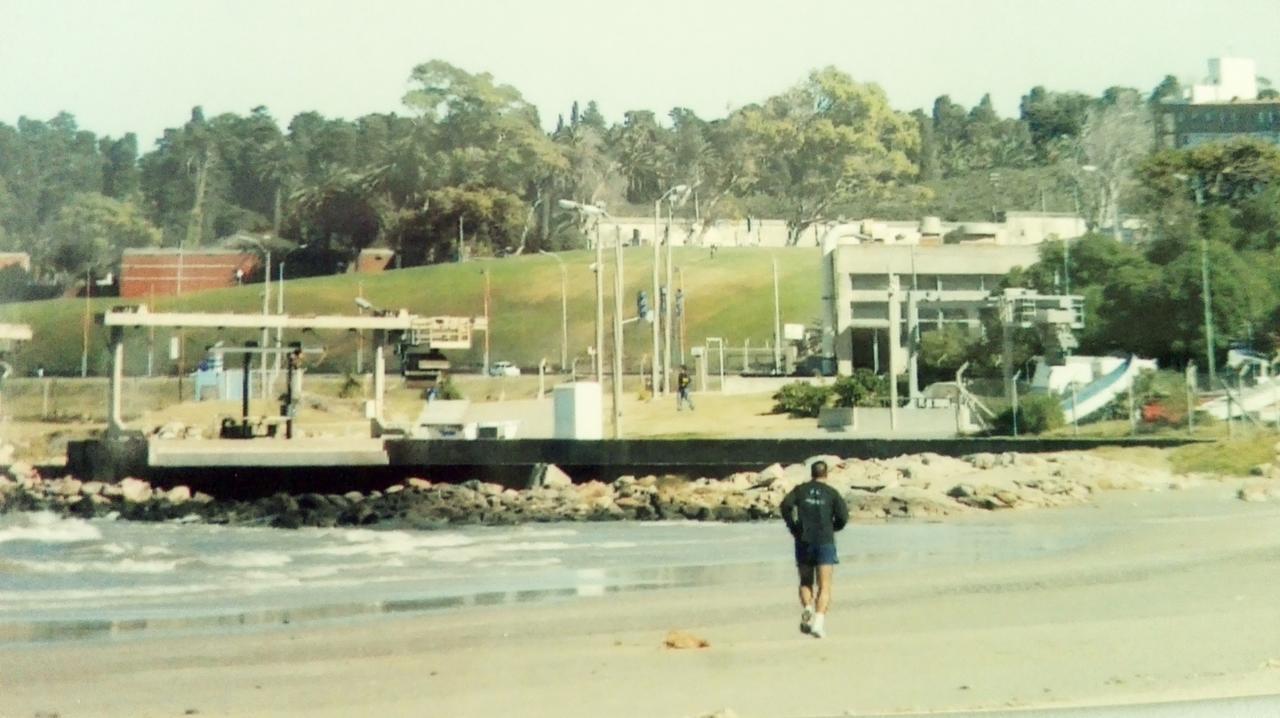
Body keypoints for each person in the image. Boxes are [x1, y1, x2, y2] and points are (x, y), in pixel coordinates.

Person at [779, 460, 848, 638]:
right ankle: (818, 623)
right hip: (825, 541)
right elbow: (843, 517)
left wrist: (793, 526)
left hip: (804, 539)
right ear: (826, 474)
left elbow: (785, 506)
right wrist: (833, 527)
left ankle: (808, 607)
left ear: (812, 473)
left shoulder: (800, 490)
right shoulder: (832, 493)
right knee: (825, 585)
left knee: (805, 582)